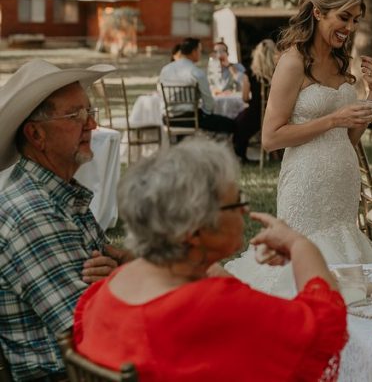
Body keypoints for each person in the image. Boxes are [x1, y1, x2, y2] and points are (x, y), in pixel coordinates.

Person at [74, 137, 348, 380]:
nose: (244, 209)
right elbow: (325, 325)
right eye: (236, 201)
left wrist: (209, 269)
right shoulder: (210, 305)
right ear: (194, 231)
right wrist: (298, 244)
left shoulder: (105, 292)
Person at [226, 0, 372, 294]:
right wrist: (332, 119)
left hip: (342, 185)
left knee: (349, 281)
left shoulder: (342, 64)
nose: (350, 28)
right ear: (318, 12)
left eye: (355, 20)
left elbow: (350, 138)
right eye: (344, 17)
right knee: (306, 277)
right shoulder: (293, 61)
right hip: (307, 185)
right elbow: (271, 138)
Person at [0, 60, 129, 379]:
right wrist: (124, 280)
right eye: (76, 116)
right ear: (35, 134)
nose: (92, 126)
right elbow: (89, 327)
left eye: (90, 113)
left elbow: (105, 280)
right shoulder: (33, 212)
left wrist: (122, 272)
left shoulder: (60, 195)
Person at [158, 37, 236, 135]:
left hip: (167, 118)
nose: (200, 53)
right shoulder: (196, 72)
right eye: (200, 50)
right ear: (194, 51)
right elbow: (209, 104)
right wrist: (205, 114)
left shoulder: (165, 70)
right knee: (231, 124)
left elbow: (160, 92)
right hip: (190, 119)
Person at [232, 39, 278, 161]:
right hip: (276, 115)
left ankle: (242, 156)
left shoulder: (250, 73)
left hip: (255, 114)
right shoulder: (279, 72)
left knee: (237, 124)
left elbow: (245, 98)